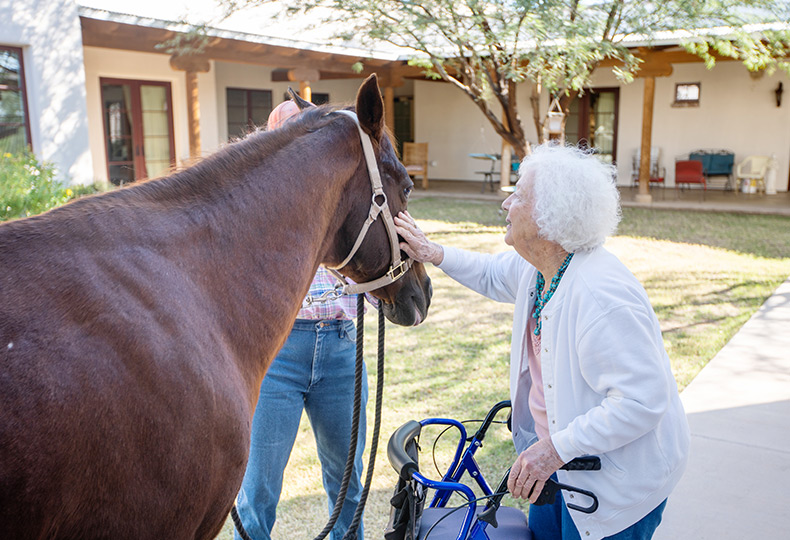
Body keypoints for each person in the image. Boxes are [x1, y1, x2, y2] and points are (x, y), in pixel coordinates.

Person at [394, 144, 690, 540]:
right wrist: (434, 252)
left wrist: (554, 450)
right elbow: (491, 273)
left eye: (518, 195)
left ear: (549, 217)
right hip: (558, 468)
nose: (505, 203)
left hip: (614, 485)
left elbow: (641, 402)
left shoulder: (601, 295)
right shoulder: (542, 268)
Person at [234, 100, 368, 540]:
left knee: (348, 486)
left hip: (343, 350)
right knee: (257, 494)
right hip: (279, 356)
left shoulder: (343, 190)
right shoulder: (251, 198)